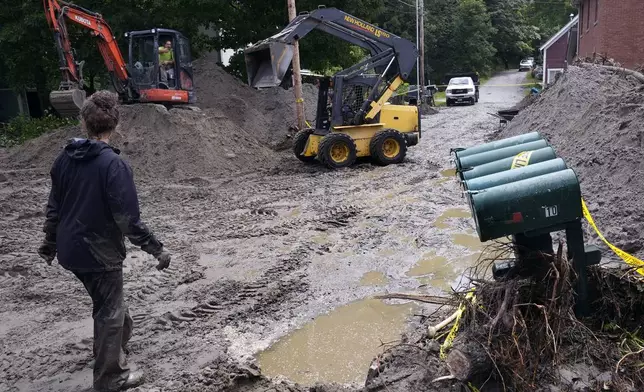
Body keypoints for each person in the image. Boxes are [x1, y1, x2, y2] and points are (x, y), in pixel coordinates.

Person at [37, 90, 171, 392]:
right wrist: (156, 249)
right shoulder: (114, 165)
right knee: (109, 311)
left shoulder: (64, 159)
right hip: (99, 253)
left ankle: (112, 350)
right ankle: (111, 377)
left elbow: (54, 207)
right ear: (116, 124)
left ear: (83, 122)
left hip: (71, 252)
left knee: (108, 302)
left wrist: (49, 244)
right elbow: (128, 220)